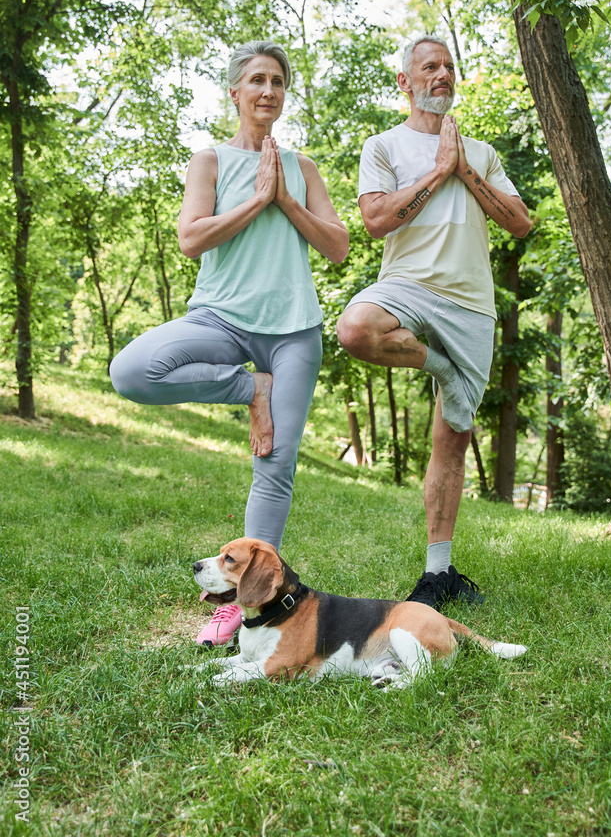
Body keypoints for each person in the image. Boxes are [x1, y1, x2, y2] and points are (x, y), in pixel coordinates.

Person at [110, 40, 349, 644]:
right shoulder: (209, 161)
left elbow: (338, 246)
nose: (268, 90)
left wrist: (284, 198)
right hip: (220, 320)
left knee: (275, 463)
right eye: (257, 80)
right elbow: (192, 239)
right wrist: (256, 200)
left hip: (293, 328)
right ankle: (251, 387)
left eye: (278, 81)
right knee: (132, 371)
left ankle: (239, 607)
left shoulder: (302, 167)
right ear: (236, 91)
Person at [336, 34, 531, 607]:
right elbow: (375, 219)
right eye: (429, 67)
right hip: (408, 286)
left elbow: (520, 222)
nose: (442, 74)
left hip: (472, 304)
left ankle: (438, 573)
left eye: (449, 66)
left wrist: (463, 168)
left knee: (453, 438)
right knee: (355, 329)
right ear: (406, 81)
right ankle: (442, 366)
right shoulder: (384, 146)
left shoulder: (484, 153)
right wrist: (437, 174)